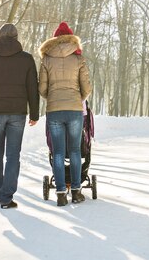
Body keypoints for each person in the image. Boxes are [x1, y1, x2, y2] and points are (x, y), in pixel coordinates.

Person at [0, 23, 39, 209]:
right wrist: (34, 113)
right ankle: (6, 196)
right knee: (12, 155)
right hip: (17, 114)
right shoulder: (26, 59)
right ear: (16, 37)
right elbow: (32, 88)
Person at [38, 21, 92, 206]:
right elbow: (86, 88)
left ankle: (61, 193)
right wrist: (78, 98)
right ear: (70, 39)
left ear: (54, 39)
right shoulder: (78, 59)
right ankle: (76, 191)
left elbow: (42, 88)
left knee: (58, 152)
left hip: (54, 110)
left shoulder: (46, 58)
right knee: (75, 151)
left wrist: (52, 97)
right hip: (75, 109)